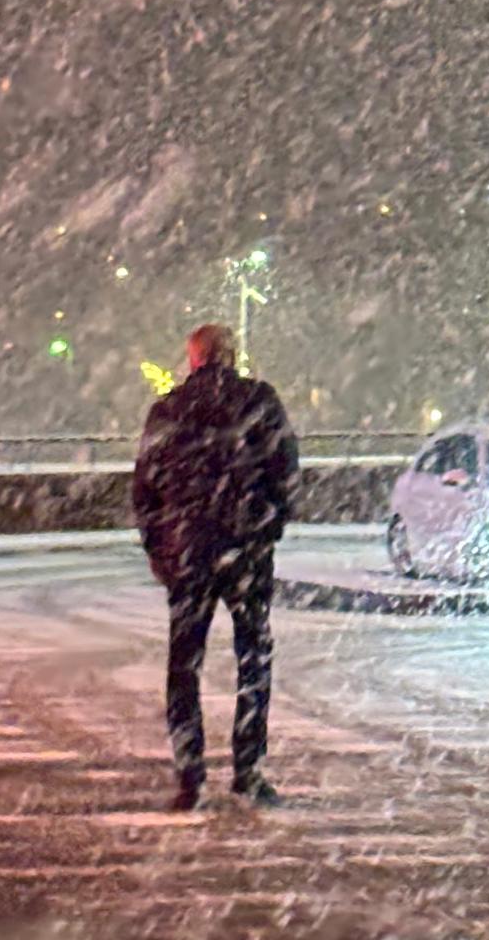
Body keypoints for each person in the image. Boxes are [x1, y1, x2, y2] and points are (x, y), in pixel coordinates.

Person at [132, 324, 298, 811]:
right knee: (254, 656)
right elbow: (286, 473)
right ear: (233, 355)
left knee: (185, 663)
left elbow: (145, 487)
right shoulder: (260, 402)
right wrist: (266, 529)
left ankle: (190, 775)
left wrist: (161, 547)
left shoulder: (170, 409)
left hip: (190, 551)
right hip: (245, 549)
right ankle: (248, 770)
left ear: (195, 358)